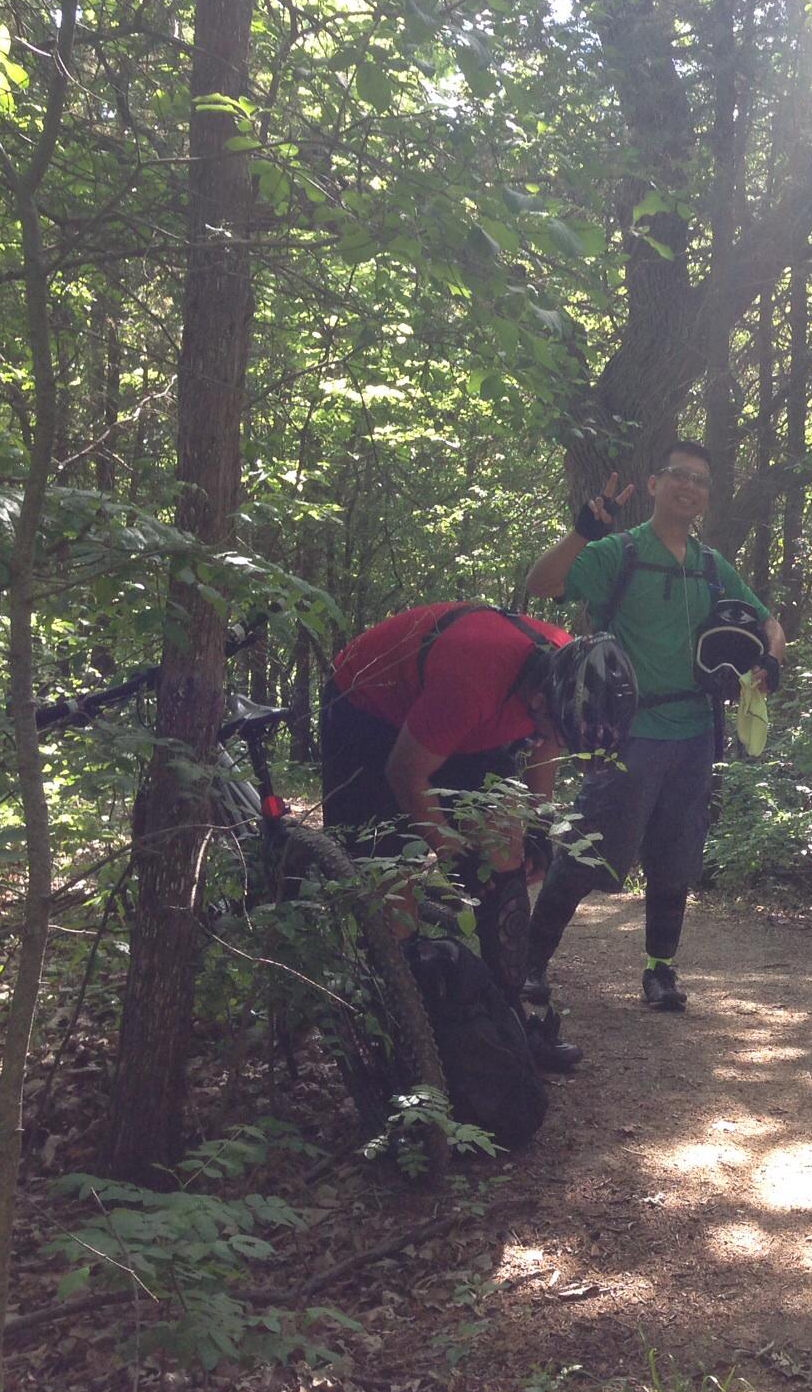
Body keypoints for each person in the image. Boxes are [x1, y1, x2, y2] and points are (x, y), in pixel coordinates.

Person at [521, 440, 785, 1018]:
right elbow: (542, 583)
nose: (689, 487)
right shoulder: (619, 552)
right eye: (679, 476)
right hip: (628, 733)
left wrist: (771, 659)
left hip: (695, 731)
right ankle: (530, 964)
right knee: (591, 850)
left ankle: (660, 971)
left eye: (701, 481)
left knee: (676, 855)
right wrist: (582, 531)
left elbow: (767, 619)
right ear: (656, 483)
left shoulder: (712, 566)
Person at [321, 602, 637, 1072]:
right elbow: (405, 774)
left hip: (465, 721)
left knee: (503, 850)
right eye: (555, 728)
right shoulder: (474, 678)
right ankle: (402, 1030)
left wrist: (537, 828)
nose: (554, 738)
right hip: (369, 710)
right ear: (540, 701)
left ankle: (507, 1019)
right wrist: (452, 852)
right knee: (393, 884)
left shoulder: (567, 677)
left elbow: (546, 748)